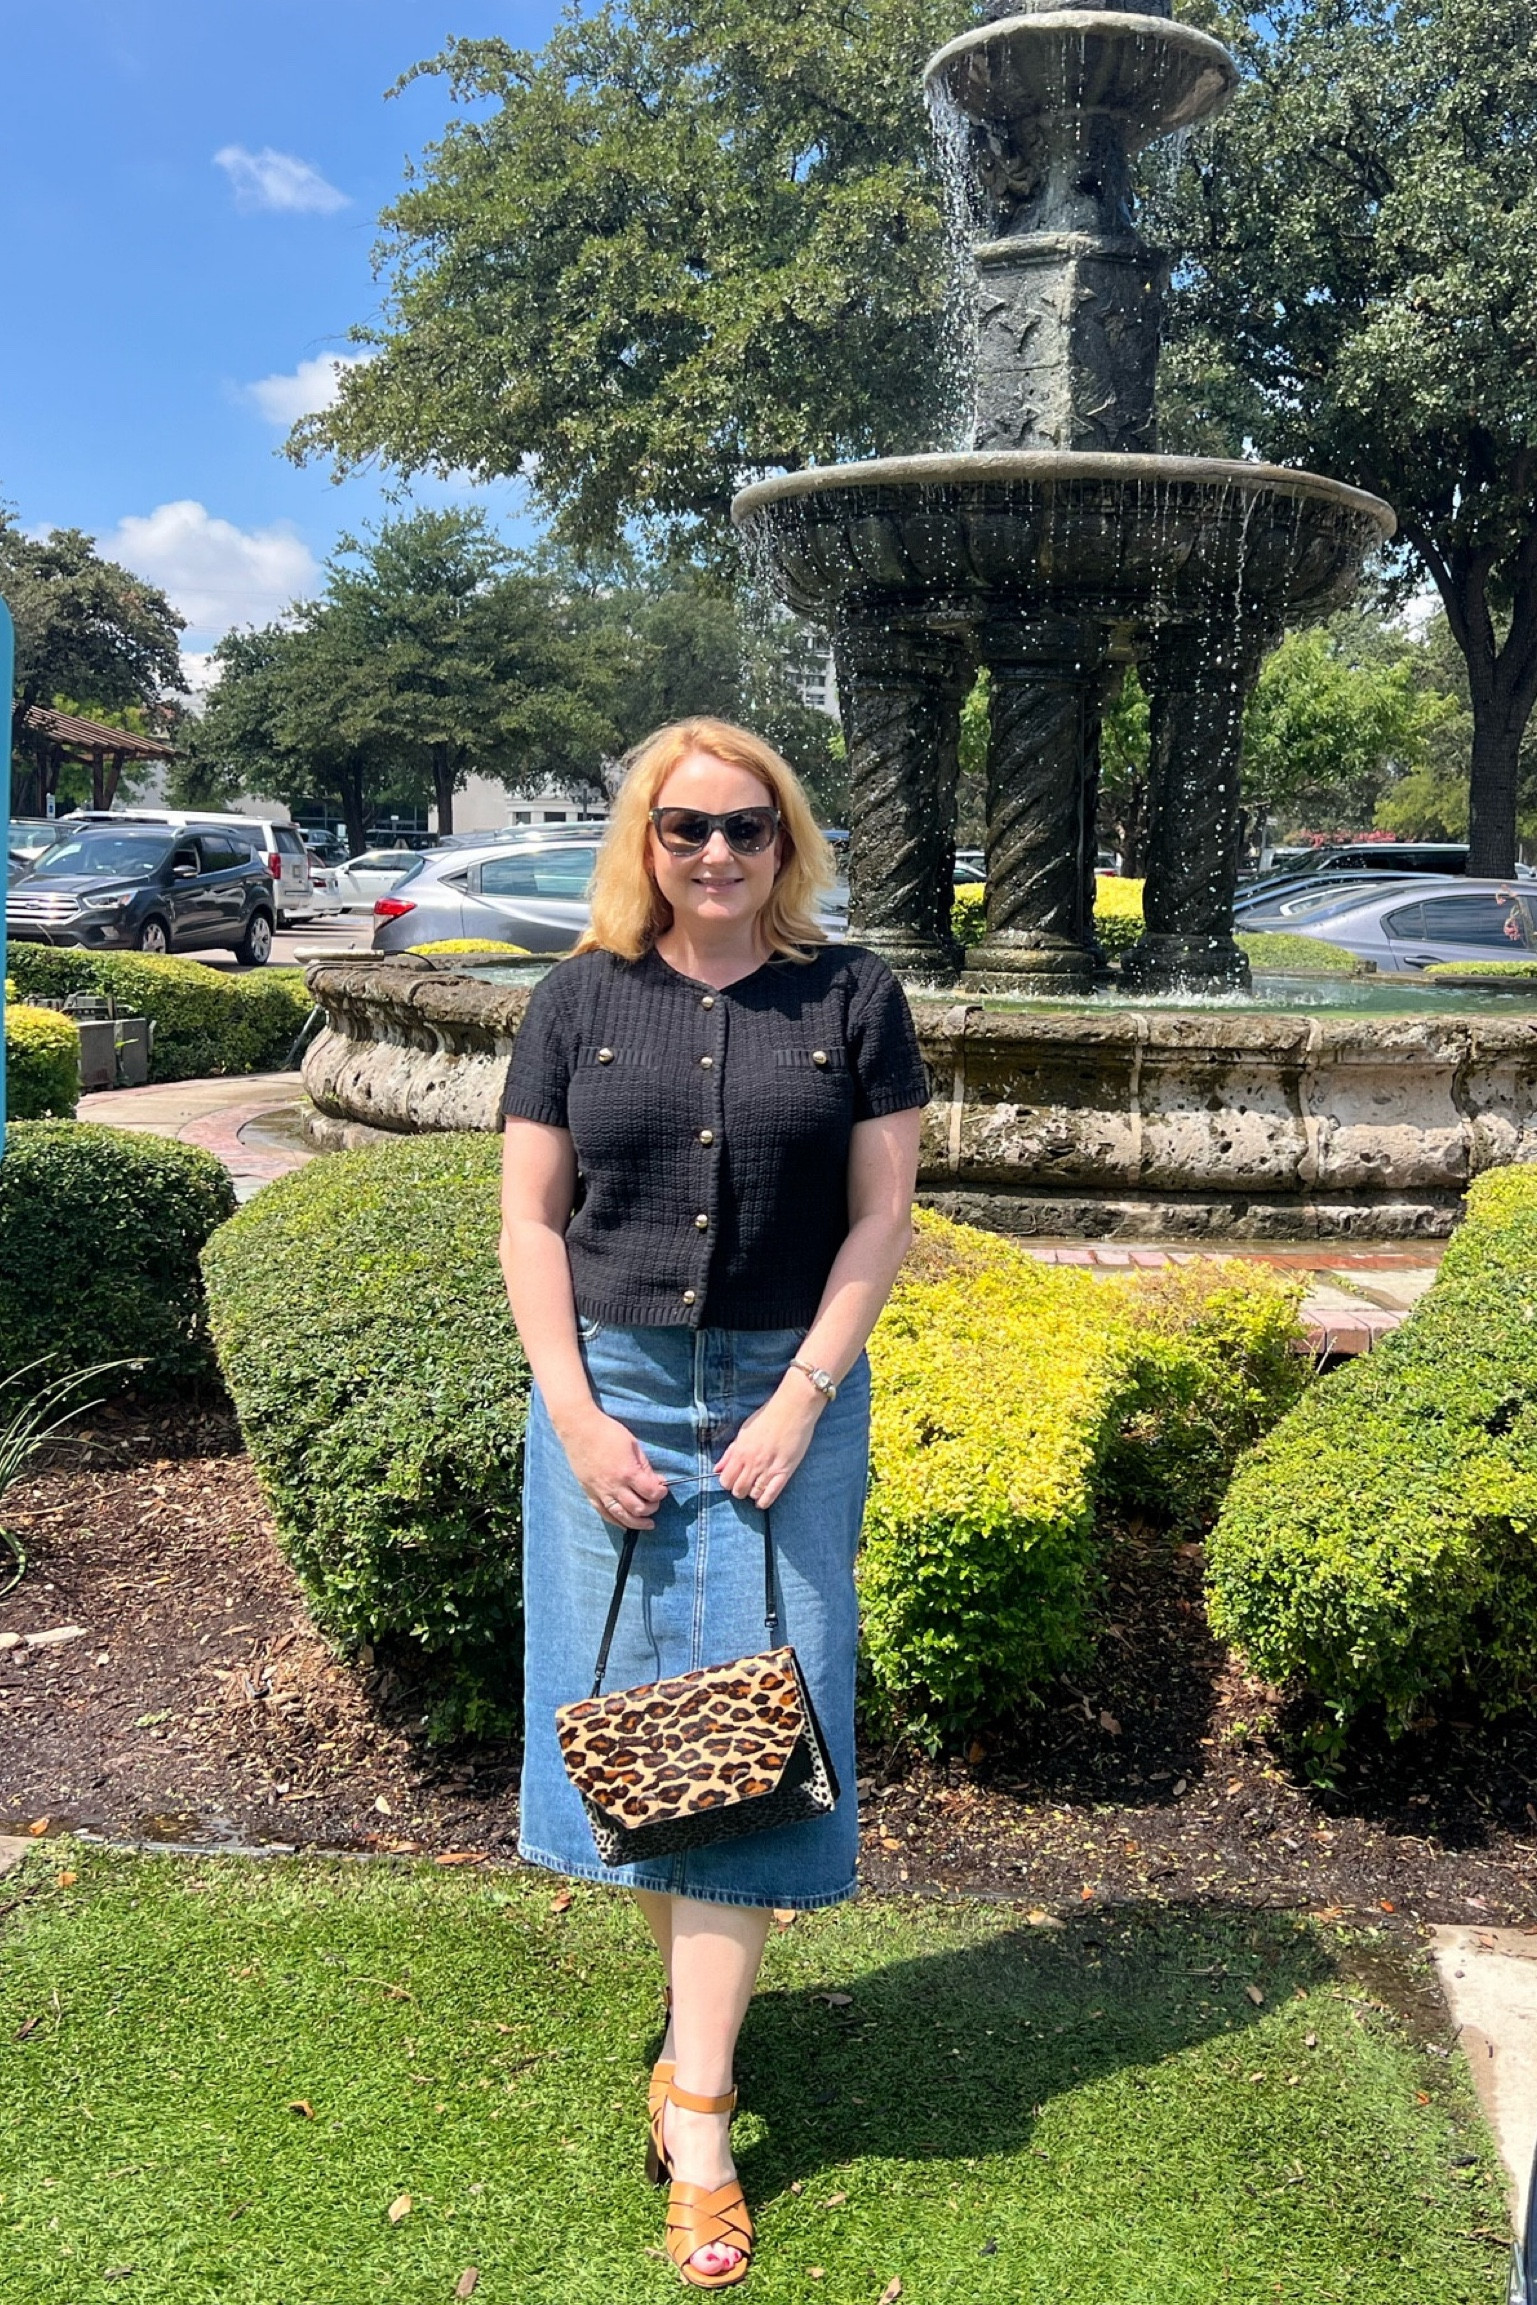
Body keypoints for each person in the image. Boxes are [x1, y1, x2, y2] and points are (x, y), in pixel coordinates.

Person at [498, 716, 926, 2288]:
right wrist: (572, 1408)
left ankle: (698, 2105)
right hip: (606, 1391)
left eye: (746, 827)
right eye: (686, 828)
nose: (718, 854)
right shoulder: (575, 997)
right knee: (638, 1723)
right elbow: (532, 1223)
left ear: (784, 838)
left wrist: (804, 1394)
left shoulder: (851, 995)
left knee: (763, 1719)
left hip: (782, 1399)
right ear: (645, 839)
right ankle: (694, 2035)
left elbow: (882, 1214)